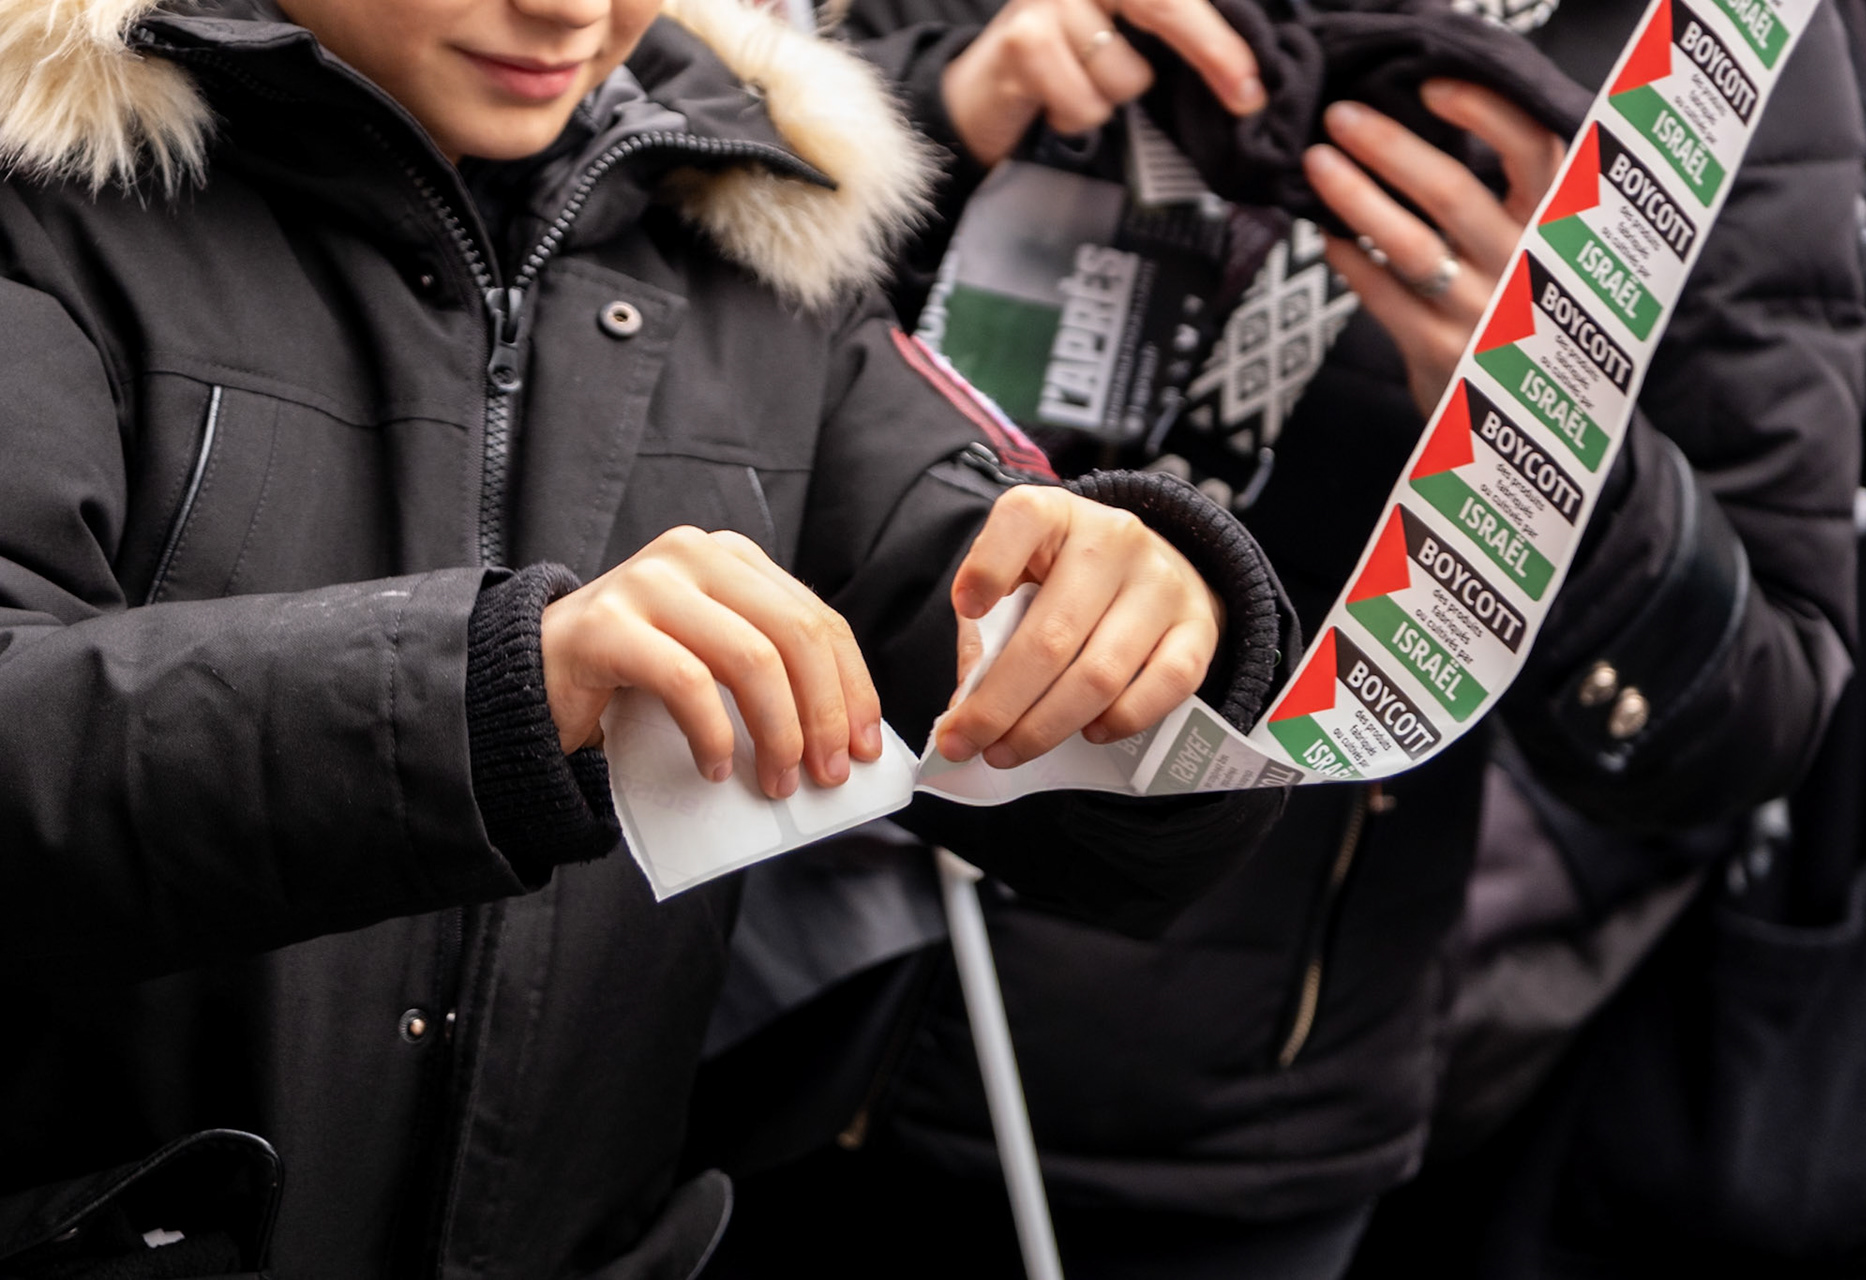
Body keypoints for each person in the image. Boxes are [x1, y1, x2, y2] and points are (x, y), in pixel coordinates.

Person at [0, 0, 1299, 1275]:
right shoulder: (41, 182)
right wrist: (501, 688)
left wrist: (1160, 620)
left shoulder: (758, 225)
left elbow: (1098, 804)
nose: (571, 9)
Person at [694, 0, 1866, 1274]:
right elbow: (651, 275)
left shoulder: (1713, 43)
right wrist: (946, 119)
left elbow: (1754, 711)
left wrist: (1541, 433)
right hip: (752, 971)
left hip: (1198, 1123)